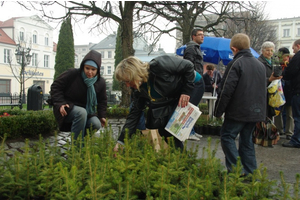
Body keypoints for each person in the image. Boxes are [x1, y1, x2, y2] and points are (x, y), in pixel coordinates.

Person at [113, 55, 201, 152]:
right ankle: (177, 158)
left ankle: (182, 159)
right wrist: (121, 142)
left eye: (128, 81)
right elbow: (134, 115)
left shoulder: (159, 65)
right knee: (162, 130)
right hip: (174, 93)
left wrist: (186, 91)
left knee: (173, 127)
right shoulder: (138, 91)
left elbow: (188, 66)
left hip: (193, 85)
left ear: (135, 73)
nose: (127, 85)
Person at [214, 33, 266, 176]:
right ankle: (250, 173)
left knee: (227, 136)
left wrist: (218, 111)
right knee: (247, 141)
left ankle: (237, 171)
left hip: (238, 110)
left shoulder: (236, 63)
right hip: (255, 111)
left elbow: (226, 90)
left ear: (234, 48)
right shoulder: (260, 65)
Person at [50, 50, 107, 143]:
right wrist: (60, 103)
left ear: (98, 70)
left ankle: (80, 141)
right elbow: (56, 87)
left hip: (87, 112)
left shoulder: (100, 82)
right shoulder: (72, 74)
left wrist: (102, 116)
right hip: (67, 108)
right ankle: (77, 148)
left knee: (95, 124)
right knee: (81, 112)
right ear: (83, 67)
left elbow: (102, 100)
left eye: (93, 69)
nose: (89, 72)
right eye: (87, 68)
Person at [183, 28, 206, 141]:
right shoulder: (191, 48)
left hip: (197, 81)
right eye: (200, 35)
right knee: (191, 107)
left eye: (203, 35)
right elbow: (188, 66)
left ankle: (191, 131)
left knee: (193, 107)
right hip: (194, 82)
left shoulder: (196, 48)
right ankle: (188, 132)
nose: (202, 36)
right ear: (193, 36)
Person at [282, 39, 300, 148]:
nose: (293, 51)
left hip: (297, 91)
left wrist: (284, 73)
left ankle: (296, 140)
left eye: (293, 48)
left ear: (298, 46)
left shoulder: (298, 57)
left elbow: (290, 72)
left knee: (297, 117)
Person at [258, 41, 282, 119]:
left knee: (271, 114)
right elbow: (257, 78)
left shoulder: (275, 61)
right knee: (264, 115)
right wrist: (269, 79)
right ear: (262, 51)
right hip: (262, 92)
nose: (269, 52)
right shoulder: (259, 62)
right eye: (267, 50)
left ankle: (270, 130)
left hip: (273, 91)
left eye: (271, 50)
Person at [274, 47, 294, 139]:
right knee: (278, 112)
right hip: (279, 90)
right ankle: (279, 130)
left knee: (289, 113)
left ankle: (289, 132)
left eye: (285, 56)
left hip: (289, 91)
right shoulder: (277, 64)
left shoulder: (292, 62)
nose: (284, 58)